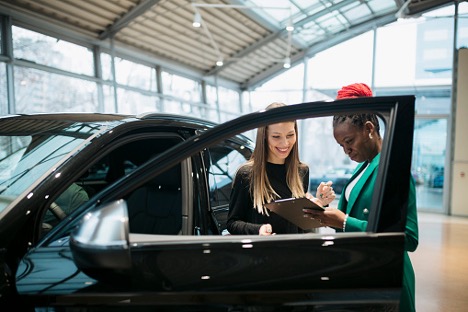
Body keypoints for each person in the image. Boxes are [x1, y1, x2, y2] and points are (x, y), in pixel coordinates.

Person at [303, 83, 419, 312]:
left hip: (387, 278)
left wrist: (344, 222)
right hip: (365, 271)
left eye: (349, 141)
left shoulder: (393, 168)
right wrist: (325, 209)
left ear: (369, 129)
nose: (346, 150)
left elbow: (409, 237)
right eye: (340, 145)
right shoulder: (364, 166)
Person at [227, 102, 335, 236]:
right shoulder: (246, 174)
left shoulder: (302, 171)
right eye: (276, 137)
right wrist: (258, 230)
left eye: (290, 135)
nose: (285, 143)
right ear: (264, 136)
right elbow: (233, 223)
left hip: (294, 252)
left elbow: (301, 224)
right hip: (261, 254)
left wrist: (319, 204)